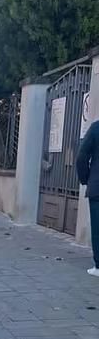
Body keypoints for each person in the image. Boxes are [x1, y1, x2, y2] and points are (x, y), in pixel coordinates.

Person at [76, 119, 99, 277]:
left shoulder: (96, 128)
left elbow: (82, 156)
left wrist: (86, 179)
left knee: (98, 228)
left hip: (97, 187)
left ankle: (98, 267)